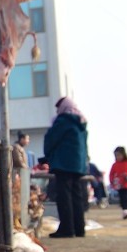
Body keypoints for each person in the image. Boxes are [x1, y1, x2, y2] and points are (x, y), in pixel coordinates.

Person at [43, 97, 89, 239]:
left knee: (64, 197)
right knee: (77, 197)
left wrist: (49, 155)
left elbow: (51, 140)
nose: (57, 111)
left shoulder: (63, 120)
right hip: (78, 165)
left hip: (63, 164)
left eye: (58, 107)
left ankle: (67, 229)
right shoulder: (81, 123)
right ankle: (79, 229)